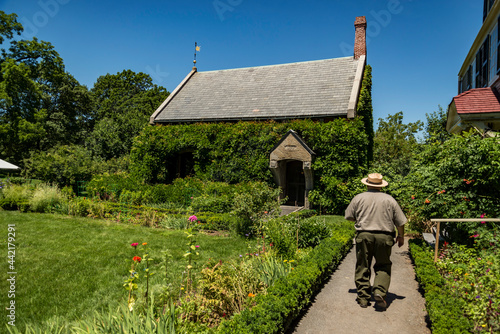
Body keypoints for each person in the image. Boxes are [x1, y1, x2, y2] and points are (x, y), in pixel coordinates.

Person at [344, 173, 407, 309]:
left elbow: (349, 216)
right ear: (381, 186)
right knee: (383, 265)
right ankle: (379, 291)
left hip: (364, 235)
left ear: (367, 184)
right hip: (385, 237)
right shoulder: (390, 200)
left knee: (362, 265)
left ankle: (363, 298)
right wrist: (401, 236)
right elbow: (400, 221)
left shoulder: (358, 198)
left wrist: (361, 219)